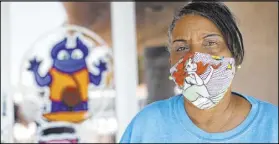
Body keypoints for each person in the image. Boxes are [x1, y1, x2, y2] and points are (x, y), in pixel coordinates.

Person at [120, 1, 278, 143]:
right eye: (181, 48)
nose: (194, 58)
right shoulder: (147, 125)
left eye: (210, 43)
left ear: (235, 54)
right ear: (171, 62)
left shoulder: (272, 125)